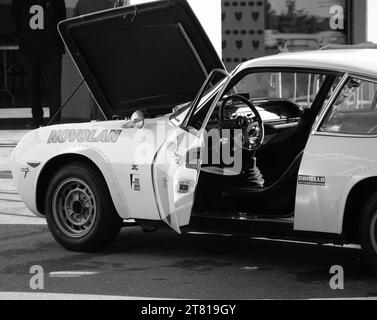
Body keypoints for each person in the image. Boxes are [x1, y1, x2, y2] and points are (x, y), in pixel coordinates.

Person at [12, 0, 66, 128]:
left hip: (30, 46)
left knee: (33, 86)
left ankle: (37, 119)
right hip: (51, 47)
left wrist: (25, 36)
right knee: (53, 86)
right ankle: (55, 120)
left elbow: (16, 21)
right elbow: (62, 19)